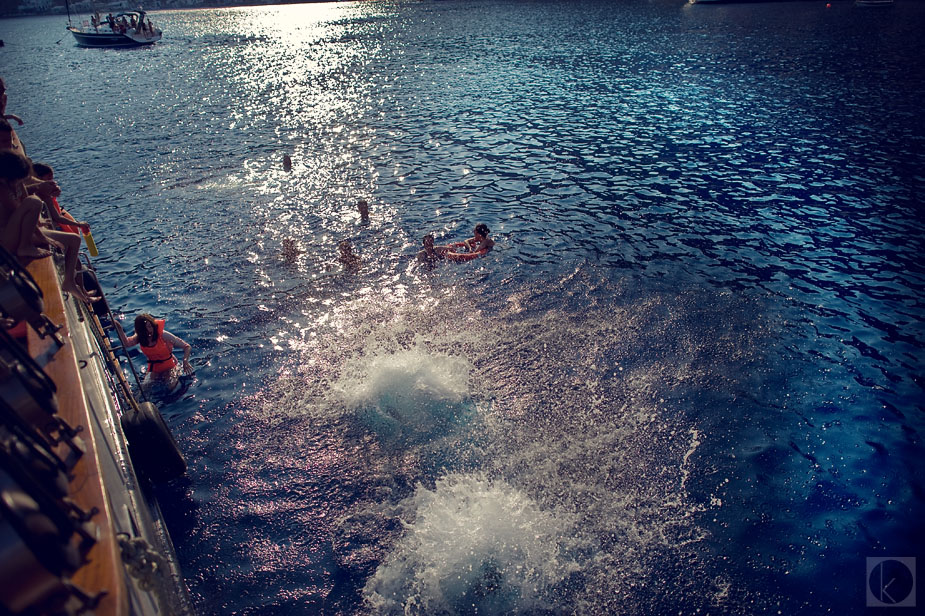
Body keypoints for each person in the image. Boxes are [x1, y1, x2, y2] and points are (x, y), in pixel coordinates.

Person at [0, 150, 95, 302]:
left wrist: (40, 228)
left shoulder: (19, 185)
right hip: (8, 239)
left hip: (23, 232)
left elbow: (25, 214)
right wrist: (41, 235)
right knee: (34, 202)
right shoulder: (3, 190)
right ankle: (25, 246)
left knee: (74, 240)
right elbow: (19, 211)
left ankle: (69, 282)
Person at [114, 314, 193, 389]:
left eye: (150, 326)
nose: (149, 330)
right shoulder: (140, 337)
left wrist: (185, 360)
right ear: (140, 331)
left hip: (170, 366)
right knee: (144, 388)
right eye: (145, 328)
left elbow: (187, 346)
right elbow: (126, 343)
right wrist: (118, 327)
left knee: (171, 386)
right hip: (154, 368)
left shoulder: (163, 335)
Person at [31, 162, 89, 235]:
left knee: (75, 230)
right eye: (49, 178)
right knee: (74, 237)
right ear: (38, 179)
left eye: (52, 178)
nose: (52, 182)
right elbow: (57, 217)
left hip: (55, 216)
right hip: (49, 224)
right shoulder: (41, 196)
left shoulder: (48, 195)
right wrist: (79, 224)